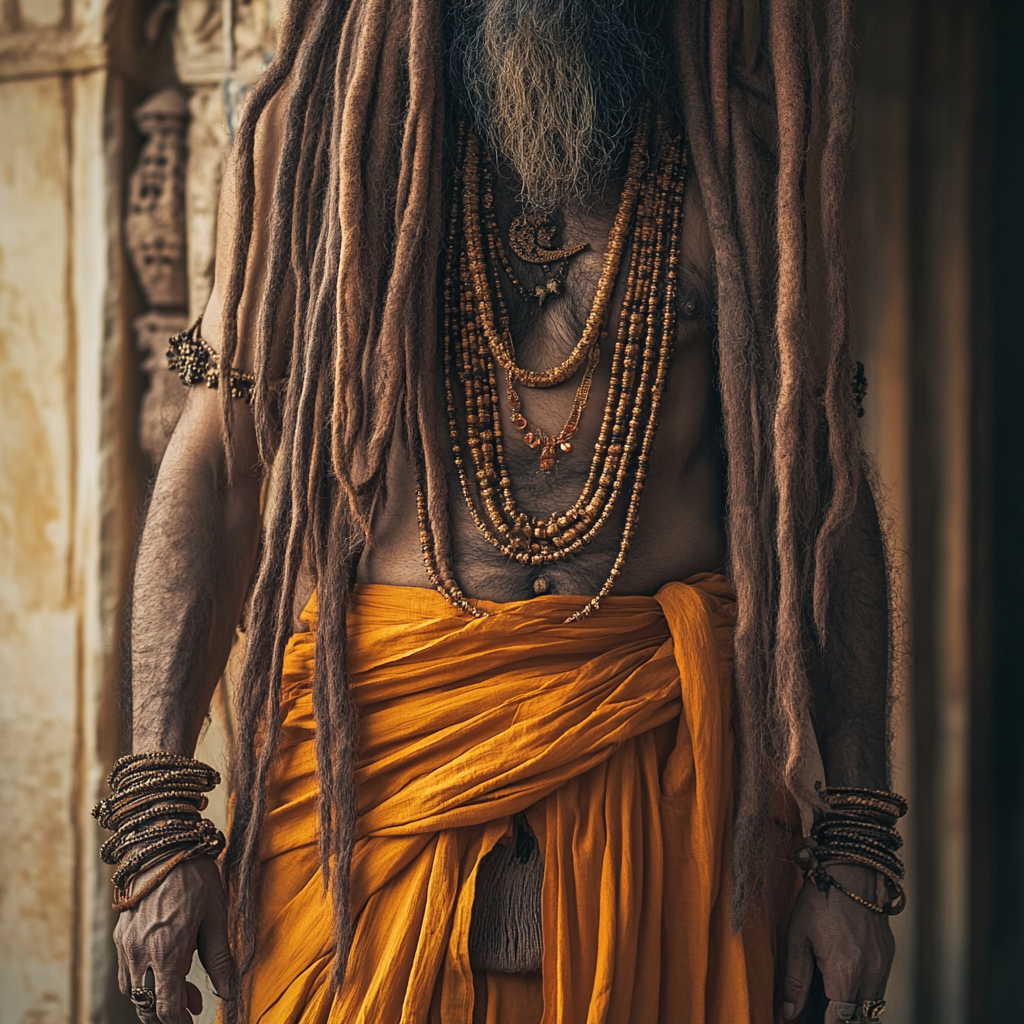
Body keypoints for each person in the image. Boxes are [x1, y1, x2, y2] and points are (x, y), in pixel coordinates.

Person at [96, 0, 905, 1022]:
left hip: (665, 799)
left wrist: (856, 843)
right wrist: (160, 816)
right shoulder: (319, 151)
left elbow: (819, 499)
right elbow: (216, 468)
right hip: (372, 796)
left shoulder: (738, 170)